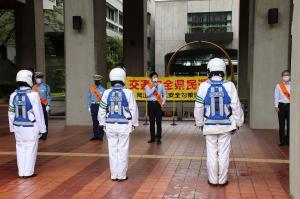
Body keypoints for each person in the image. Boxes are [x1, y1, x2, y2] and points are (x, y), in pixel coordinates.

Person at [194, 58, 244, 186]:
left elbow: (198, 107)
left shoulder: (203, 86)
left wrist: (199, 123)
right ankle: (222, 180)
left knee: (211, 153)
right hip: (226, 126)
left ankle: (212, 180)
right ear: (223, 70)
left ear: (209, 71)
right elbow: (236, 106)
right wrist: (238, 122)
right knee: (224, 153)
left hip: (209, 126)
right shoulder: (230, 85)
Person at [98, 67, 139, 181]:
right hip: (124, 125)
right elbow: (133, 110)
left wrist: (102, 123)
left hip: (110, 125)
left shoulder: (106, 93)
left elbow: (101, 110)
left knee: (112, 151)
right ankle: (121, 175)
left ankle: (113, 175)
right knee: (123, 150)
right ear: (123, 79)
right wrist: (134, 123)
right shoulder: (128, 92)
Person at [8, 70, 46, 178]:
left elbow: (10, 113)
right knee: (31, 148)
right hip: (30, 127)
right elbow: (39, 114)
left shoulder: (13, 95)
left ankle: (21, 172)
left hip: (18, 127)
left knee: (20, 148)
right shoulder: (33, 95)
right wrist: (43, 130)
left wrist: (12, 128)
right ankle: (28, 172)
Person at [145, 72, 167, 144]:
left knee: (158, 122)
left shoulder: (161, 85)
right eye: (154, 77)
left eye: (156, 77)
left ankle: (158, 138)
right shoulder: (147, 86)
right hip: (151, 104)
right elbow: (148, 94)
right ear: (151, 78)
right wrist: (154, 87)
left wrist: (162, 102)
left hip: (158, 104)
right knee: (151, 122)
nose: (155, 78)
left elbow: (164, 94)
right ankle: (152, 138)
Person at [274, 70, 291, 146]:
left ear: (289, 76)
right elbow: (276, 96)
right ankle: (282, 141)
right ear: (282, 77)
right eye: (284, 75)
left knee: (290, 125)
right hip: (281, 106)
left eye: (287, 75)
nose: (286, 76)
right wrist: (276, 106)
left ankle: (288, 141)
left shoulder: (292, 85)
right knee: (281, 125)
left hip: (290, 106)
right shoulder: (279, 85)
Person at [87, 74, 106, 141]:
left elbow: (104, 99)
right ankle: (95, 135)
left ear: (100, 81)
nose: (96, 82)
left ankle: (100, 136)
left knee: (101, 121)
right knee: (94, 121)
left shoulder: (103, 90)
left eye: (98, 81)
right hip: (93, 106)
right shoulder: (91, 88)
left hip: (100, 106)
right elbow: (88, 98)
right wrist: (89, 106)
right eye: (95, 81)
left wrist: (104, 108)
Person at [33, 72, 51, 140]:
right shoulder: (33, 87)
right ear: (35, 78)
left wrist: (48, 105)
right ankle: (38, 133)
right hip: (36, 105)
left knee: (44, 120)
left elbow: (48, 96)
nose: (38, 79)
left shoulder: (46, 86)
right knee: (37, 120)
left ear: (42, 78)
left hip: (43, 105)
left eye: (39, 77)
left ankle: (44, 134)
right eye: (37, 78)